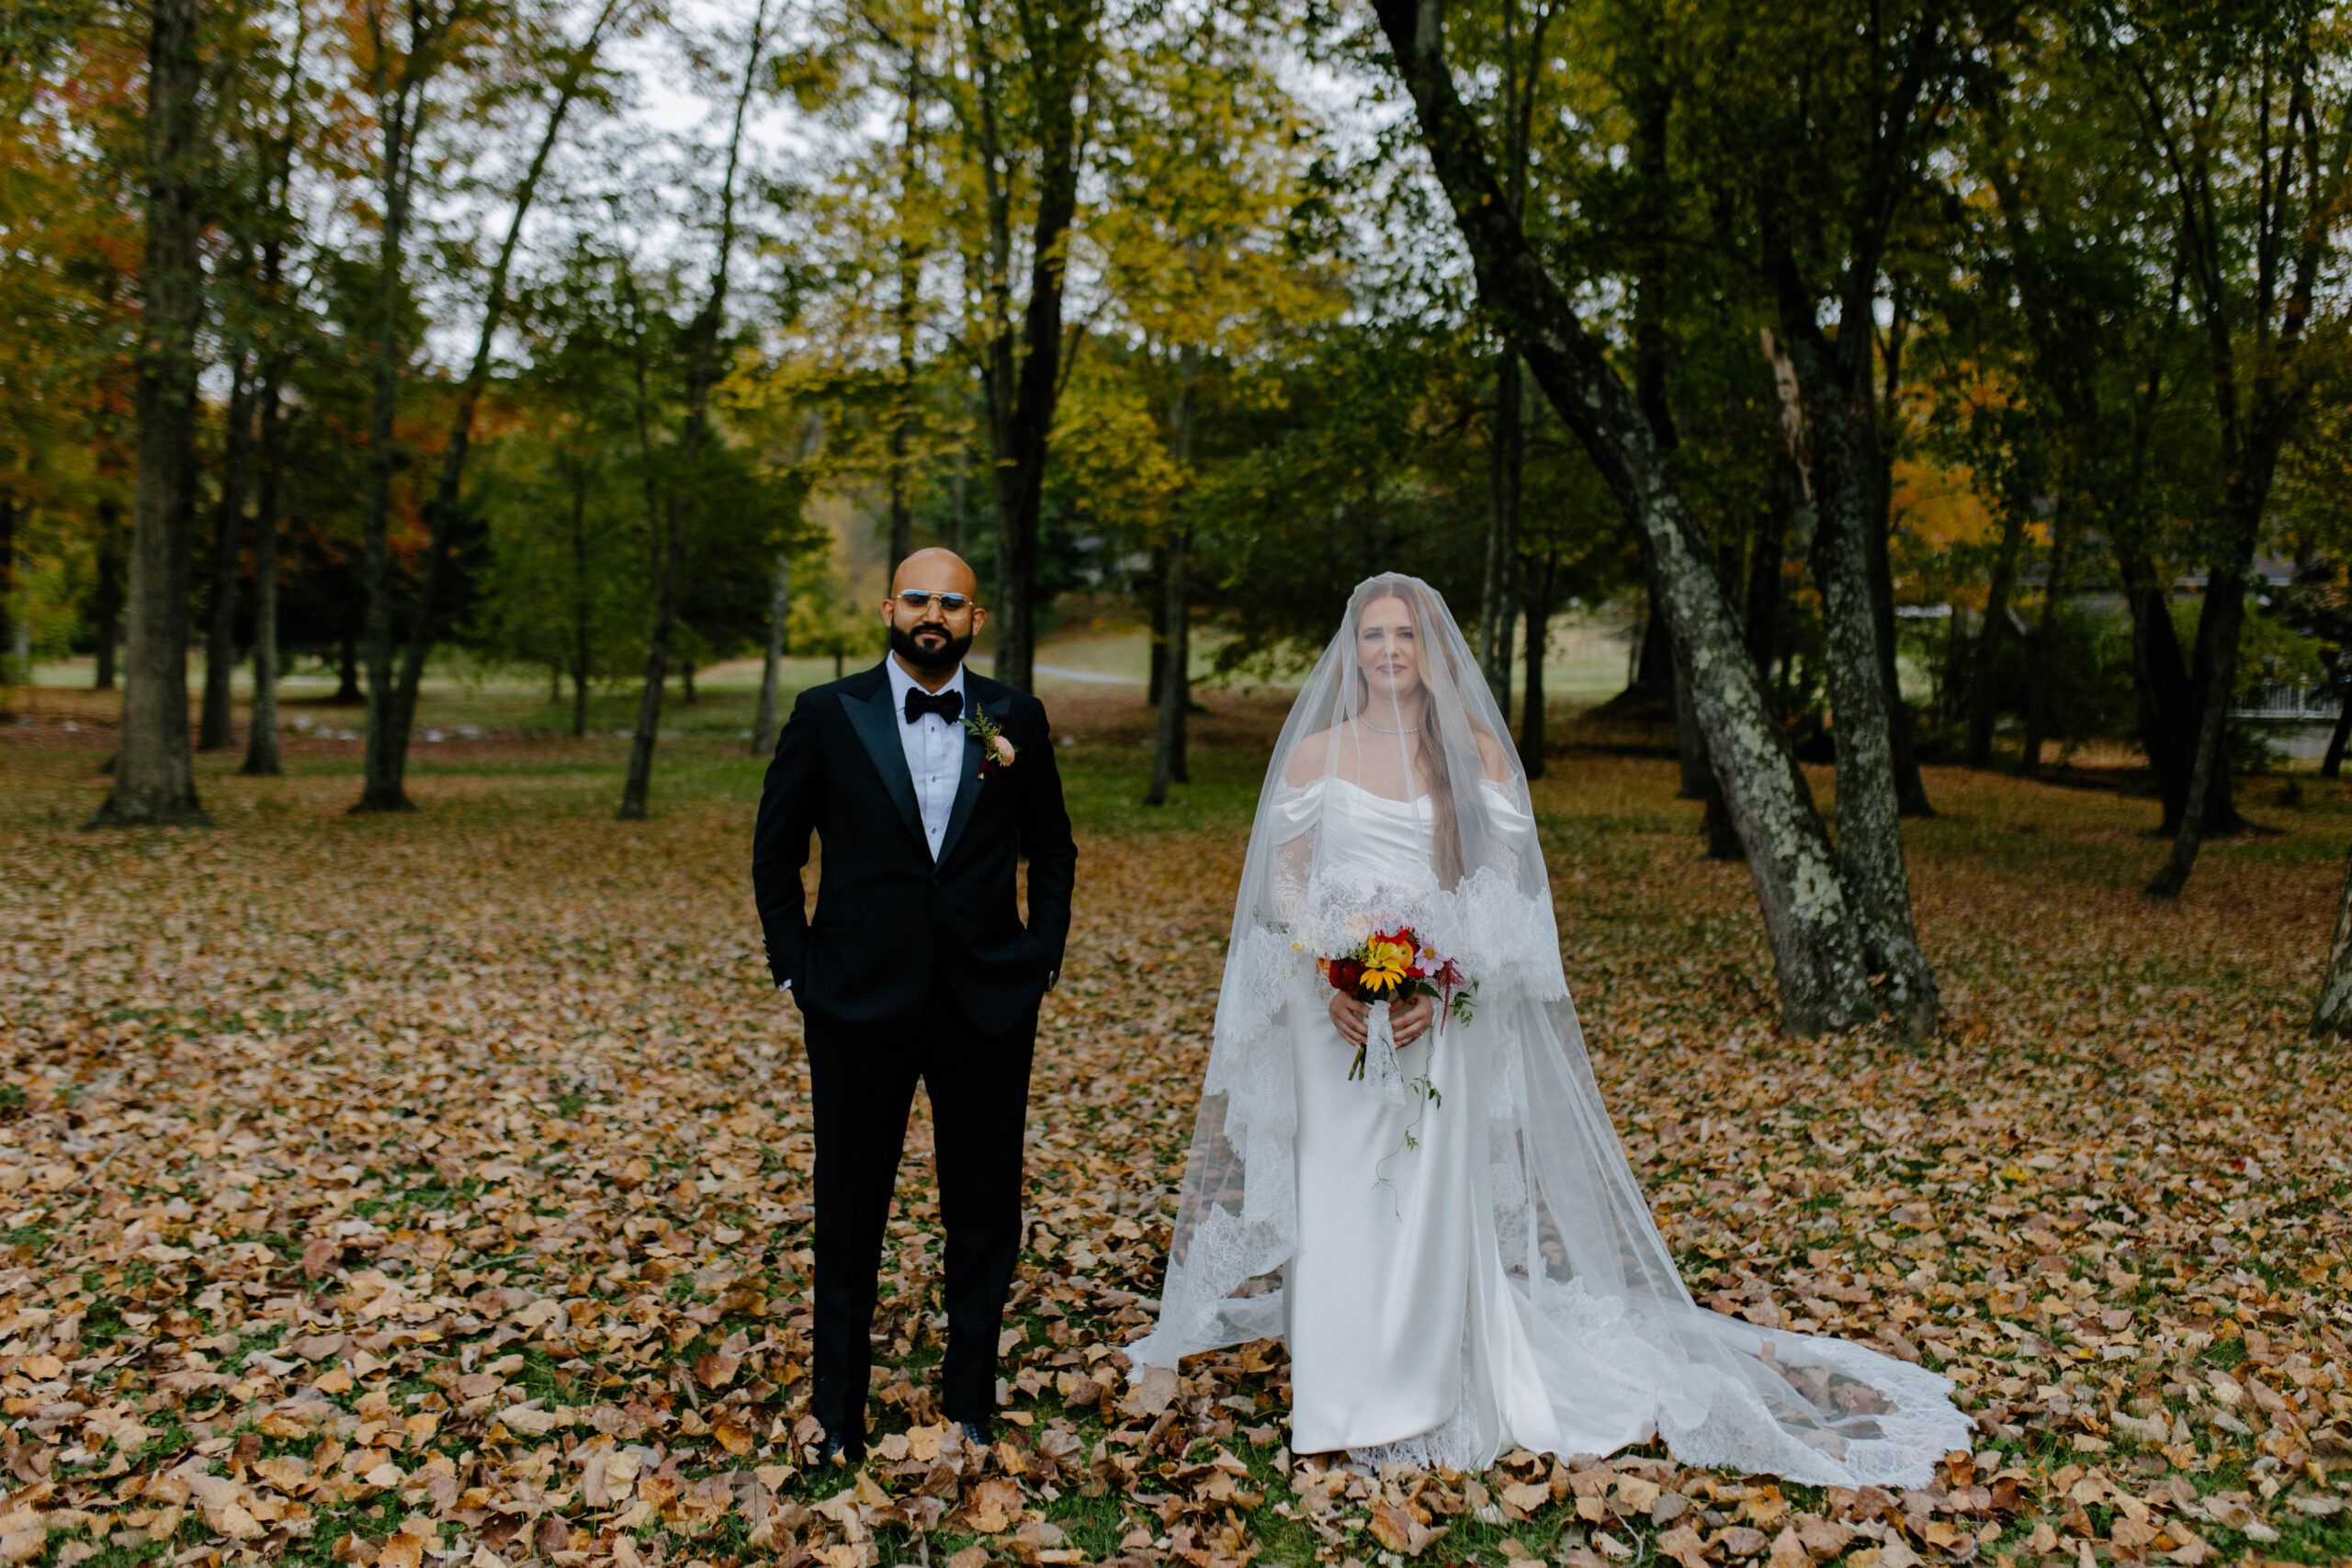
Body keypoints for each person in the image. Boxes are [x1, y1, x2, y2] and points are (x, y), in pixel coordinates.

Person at [1130, 572, 1969, 1483]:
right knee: (1339, 1202)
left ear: (1431, 649)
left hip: (1444, 1010)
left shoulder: (1474, 754)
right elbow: (1287, 879)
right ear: (1350, 650)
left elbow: (1504, 886)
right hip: (1328, 1012)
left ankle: (1420, 1388)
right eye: (1371, 635)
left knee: (1421, 1205)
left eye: (1403, 635)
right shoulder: (1315, 754)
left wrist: (1437, 974)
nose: (1387, 651)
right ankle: (1339, 1395)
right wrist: (1330, 962)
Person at [753, 548, 1077, 1463]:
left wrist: (1039, 958)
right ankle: (840, 1415)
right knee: (849, 1211)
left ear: (976, 621)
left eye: (953, 602)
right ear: (889, 607)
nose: (933, 613)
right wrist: (796, 970)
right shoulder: (826, 714)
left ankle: (970, 1404)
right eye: (918, 598)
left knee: (981, 1211)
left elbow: (1051, 849)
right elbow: (777, 855)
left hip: (986, 1003)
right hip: (855, 1002)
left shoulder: (1016, 717)